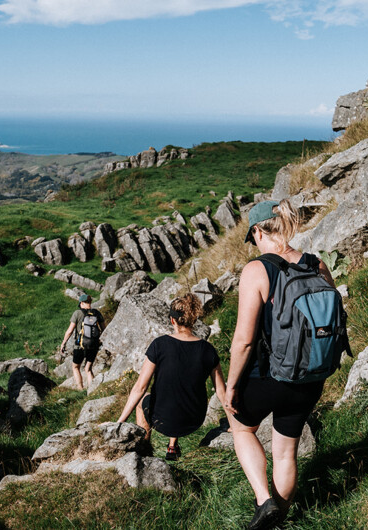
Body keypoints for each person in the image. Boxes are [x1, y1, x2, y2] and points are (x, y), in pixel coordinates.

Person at [223, 199, 337, 530]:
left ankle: (264, 501)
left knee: (240, 426)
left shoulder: (257, 270)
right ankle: (279, 521)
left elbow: (244, 341)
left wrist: (231, 386)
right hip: (311, 375)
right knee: (285, 453)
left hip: (270, 375)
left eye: (253, 237)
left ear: (258, 232)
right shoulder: (317, 264)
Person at [117, 293, 226, 460]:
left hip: (162, 420)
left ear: (172, 320)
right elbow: (221, 392)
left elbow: (140, 387)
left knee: (142, 401)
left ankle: (145, 451)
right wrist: (234, 424)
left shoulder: (159, 345)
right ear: (194, 320)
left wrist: (119, 422)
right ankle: (172, 447)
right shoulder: (208, 350)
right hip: (194, 419)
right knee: (179, 390)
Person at [59, 293, 104, 390]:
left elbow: (70, 331)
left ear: (81, 303)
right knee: (88, 369)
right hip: (93, 345)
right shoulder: (96, 313)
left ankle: (80, 388)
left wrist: (63, 343)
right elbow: (104, 329)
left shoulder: (77, 313)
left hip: (80, 345)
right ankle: (92, 391)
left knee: (75, 367)